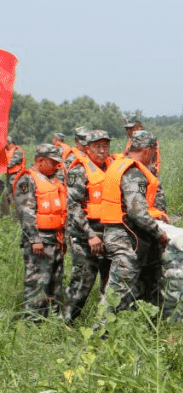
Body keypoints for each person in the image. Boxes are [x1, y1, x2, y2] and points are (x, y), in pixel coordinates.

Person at [99, 130, 169, 313]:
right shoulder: (133, 172)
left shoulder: (118, 165)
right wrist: (159, 233)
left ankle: (141, 322)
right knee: (121, 283)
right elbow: (136, 211)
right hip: (123, 234)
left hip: (120, 232)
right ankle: (102, 331)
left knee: (144, 280)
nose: (153, 156)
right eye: (153, 152)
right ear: (146, 150)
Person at [63, 129, 113, 324]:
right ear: (88, 148)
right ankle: (67, 321)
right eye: (97, 146)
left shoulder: (112, 168)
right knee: (83, 279)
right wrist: (90, 234)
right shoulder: (78, 171)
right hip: (85, 235)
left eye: (105, 145)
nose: (102, 150)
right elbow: (73, 206)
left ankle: (105, 323)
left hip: (109, 233)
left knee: (109, 280)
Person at [13, 144, 66, 321]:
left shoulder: (53, 180)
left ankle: (51, 319)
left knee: (54, 281)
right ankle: (32, 321)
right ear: (40, 160)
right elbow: (25, 213)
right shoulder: (27, 180)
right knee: (37, 281)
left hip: (55, 238)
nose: (57, 166)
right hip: (39, 240)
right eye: (53, 162)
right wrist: (35, 239)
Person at [2, 137, 25, 216]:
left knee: (15, 196)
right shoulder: (7, 151)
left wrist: (3, 166)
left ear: (9, 142)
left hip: (16, 176)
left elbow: (12, 163)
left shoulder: (17, 151)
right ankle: (7, 215)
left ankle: (17, 216)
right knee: (7, 195)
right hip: (9, 176)